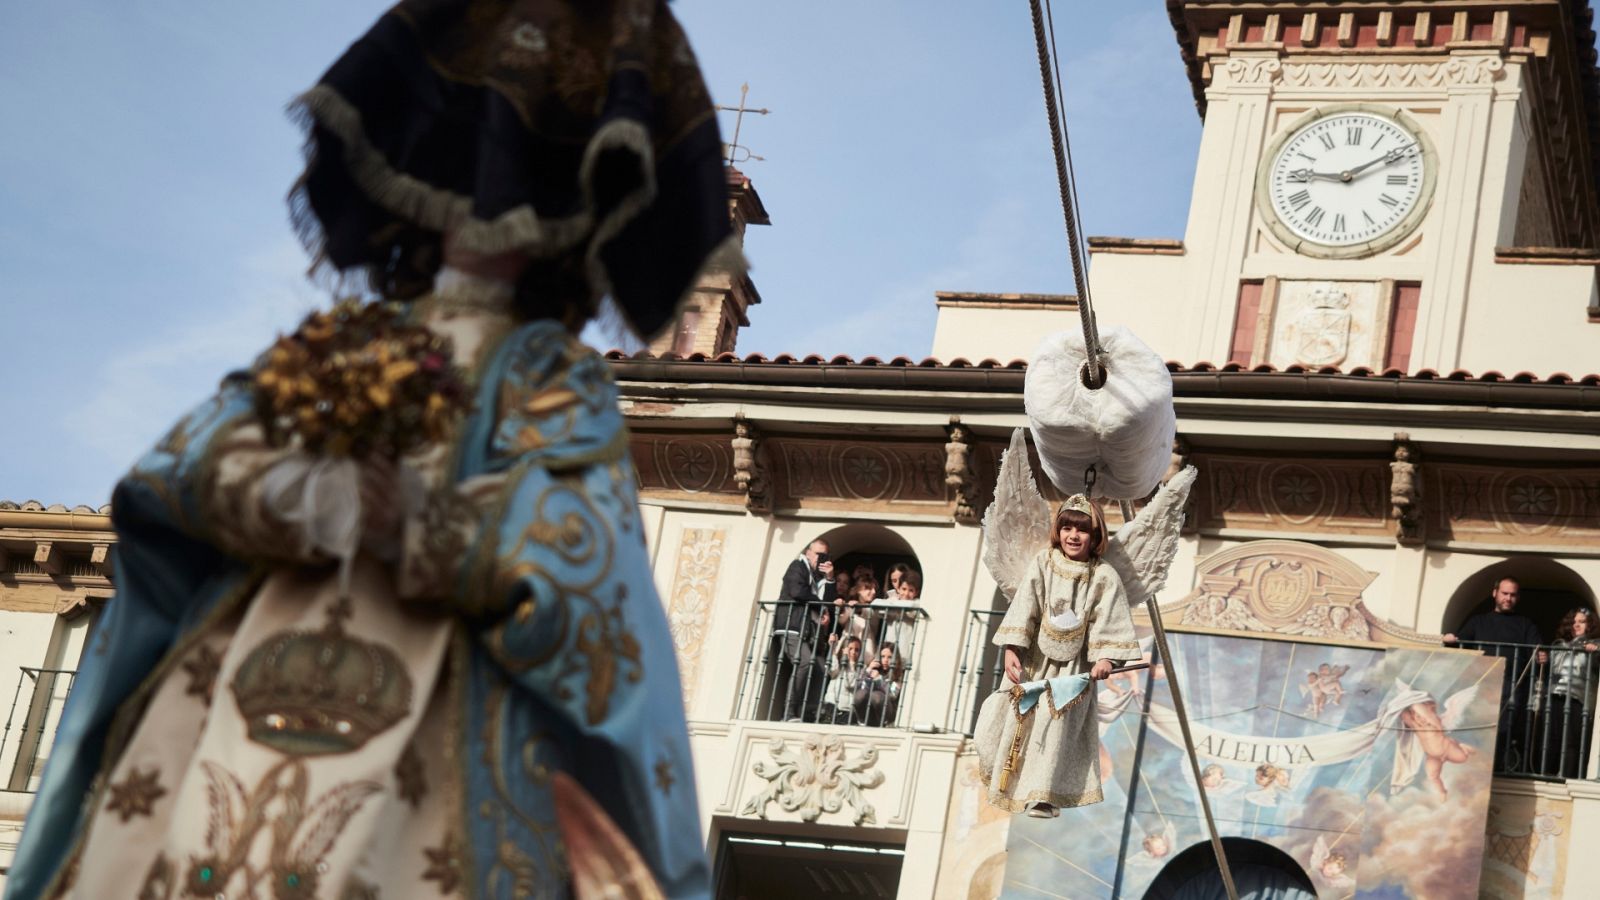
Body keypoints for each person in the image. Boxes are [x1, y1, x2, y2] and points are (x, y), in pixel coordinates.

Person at [2, 3, 729, 898]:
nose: (489, 210)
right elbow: (178, 469)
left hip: (444, 728)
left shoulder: (548, 373)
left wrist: (431, 528)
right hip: (236, 695)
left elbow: (590, 570)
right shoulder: (342, 342)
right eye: (471, 176)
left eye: (522, 188)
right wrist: (293, 496)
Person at [972, 495, 1140, 818]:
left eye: (1082, 529)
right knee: (1018, 722)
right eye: (1067, 527)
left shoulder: (1104, 577)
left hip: (1073, 671)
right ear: (1058, 530)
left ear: (1096, 535)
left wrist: (1106, 659)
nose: (1073, 536)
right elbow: (1026, 605)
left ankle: (1044, 795)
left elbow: (1110, 620)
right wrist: (1012, 646)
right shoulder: (1043, 563)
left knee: (1054, 729)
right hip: (1036, 663)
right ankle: (1008, 783)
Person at [1443, 576, 1546, 772]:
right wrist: (1449, 640)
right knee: (1475, 728)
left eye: (1513, 595)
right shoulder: (1478, 622)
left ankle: (1495, 770)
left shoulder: (1525, 624)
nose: (1508, 598)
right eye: (1505, 593)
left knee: (1503, 730)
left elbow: (1536, 652)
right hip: (1480, 684)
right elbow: (1460, 643)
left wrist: (1541, 657)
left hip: (1511, 685)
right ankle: (1470, 770)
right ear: (1495, 593)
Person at [770, 539, 836, 722]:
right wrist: (820, 605)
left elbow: (828, 603)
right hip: (791, 626)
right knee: (804, 662)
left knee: (820, 668)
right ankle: (788, 713)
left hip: (806, 631)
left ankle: (809, 712)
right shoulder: (798, 566)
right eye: (817, 554)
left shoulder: (816, 578)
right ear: (808, 552)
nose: (820, 559)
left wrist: (830, 579)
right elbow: (797, 591)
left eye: (825, 556)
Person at [1541, 608, 1599, 778]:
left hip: (1577, 699)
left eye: (1581, 621)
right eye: (1574, 622)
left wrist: (1594, 650)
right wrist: (1543, 660)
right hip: (1554, 695)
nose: (1576, 625)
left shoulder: (1595, 644)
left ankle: (1566, 776)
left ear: (1589, 625)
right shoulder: (1559, 645)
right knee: (1551, 737)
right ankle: (1547, 773)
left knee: (1571, 740)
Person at [854, 644, 905, 727]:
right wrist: (868, 671)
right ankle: (862, 720)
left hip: (887, 712)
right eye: (883, 656)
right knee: (861, 694)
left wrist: (879, 680)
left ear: (895, 659)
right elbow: (858, 688)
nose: (885, 660)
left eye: (889, 657)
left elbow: (892, 695)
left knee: (876, 695)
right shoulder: (872, 669)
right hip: (870, 712)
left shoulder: (898, 675)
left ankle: (883, 723)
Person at [820, 636, 866, 725]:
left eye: (857, 650)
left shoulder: (860, 669)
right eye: (850, 649)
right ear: (843, 649)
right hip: (832, 707)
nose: (853, 652)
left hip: (847, 711)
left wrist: (851, 664)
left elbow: (851, 684)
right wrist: (833, 649)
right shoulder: (837, 662)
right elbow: (832, 670)